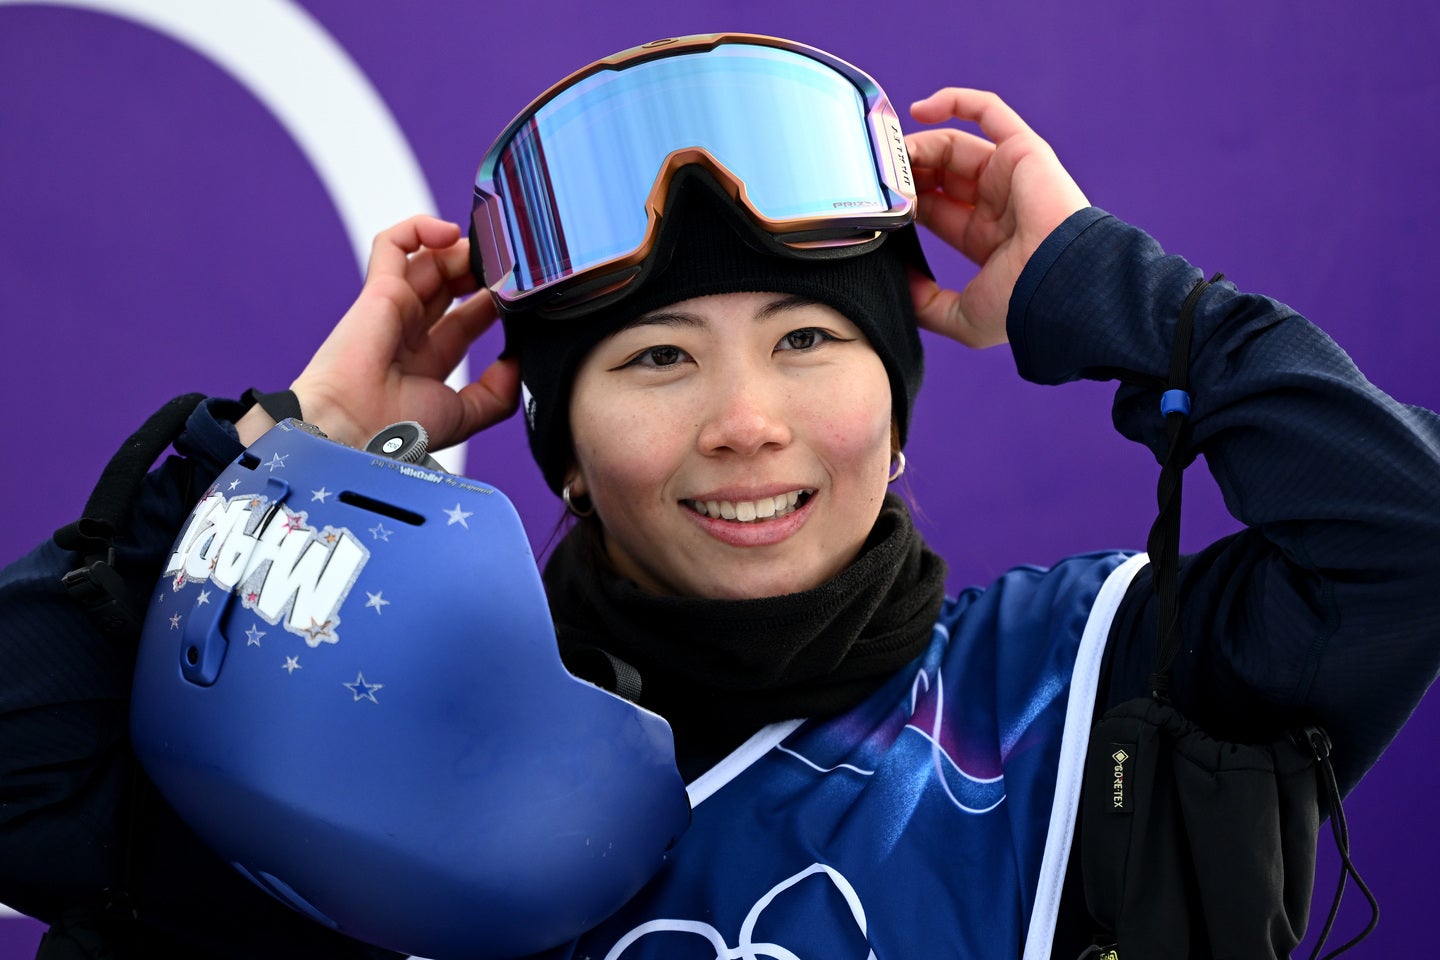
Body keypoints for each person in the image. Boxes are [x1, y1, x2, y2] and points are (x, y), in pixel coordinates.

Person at [2, 32, 1438, 960]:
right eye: (658, 359)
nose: (746, 423)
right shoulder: (361, 734)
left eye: (811, 340)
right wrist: (291, 445)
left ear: (897, 393)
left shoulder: (1098, 684)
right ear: (559, 442)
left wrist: (1121, 299)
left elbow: (1407, 539)